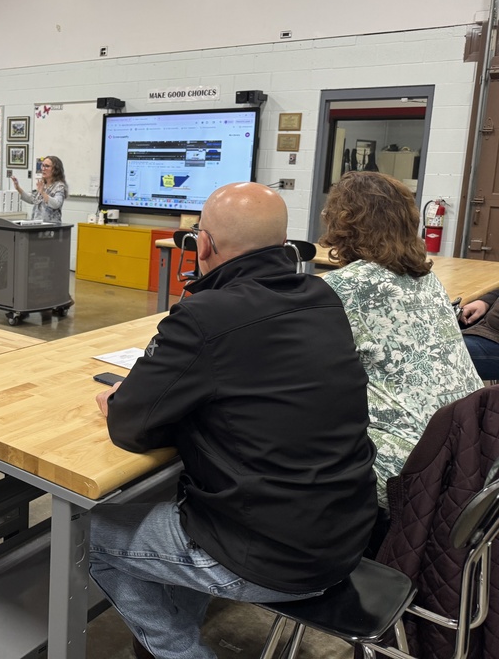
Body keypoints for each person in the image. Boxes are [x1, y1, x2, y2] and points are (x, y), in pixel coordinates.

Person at [89, 182, 378, 659]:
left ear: (201, 244)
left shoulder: (206, 314)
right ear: (286, 246)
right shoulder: (322, 298)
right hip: (345, 536)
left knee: (95, 530)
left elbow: (130, 427)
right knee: (179, 499)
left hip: (269, 557)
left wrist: (125, 401)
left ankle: (178, 651)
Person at [320, 171, 481, 502]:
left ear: (341, 223)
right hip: (474, 452)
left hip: (409, 468)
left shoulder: (338, 289)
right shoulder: (427, 278)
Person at [10, 155, 66, 222]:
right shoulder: (43, 184)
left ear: (55, 170)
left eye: (47, 166)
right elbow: (32, 199)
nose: (43, 169)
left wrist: (42, 192)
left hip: (51, 226)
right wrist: (18, 187)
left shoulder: (59, 186)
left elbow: (56, 204)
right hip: (37, 224)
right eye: (42, 165)